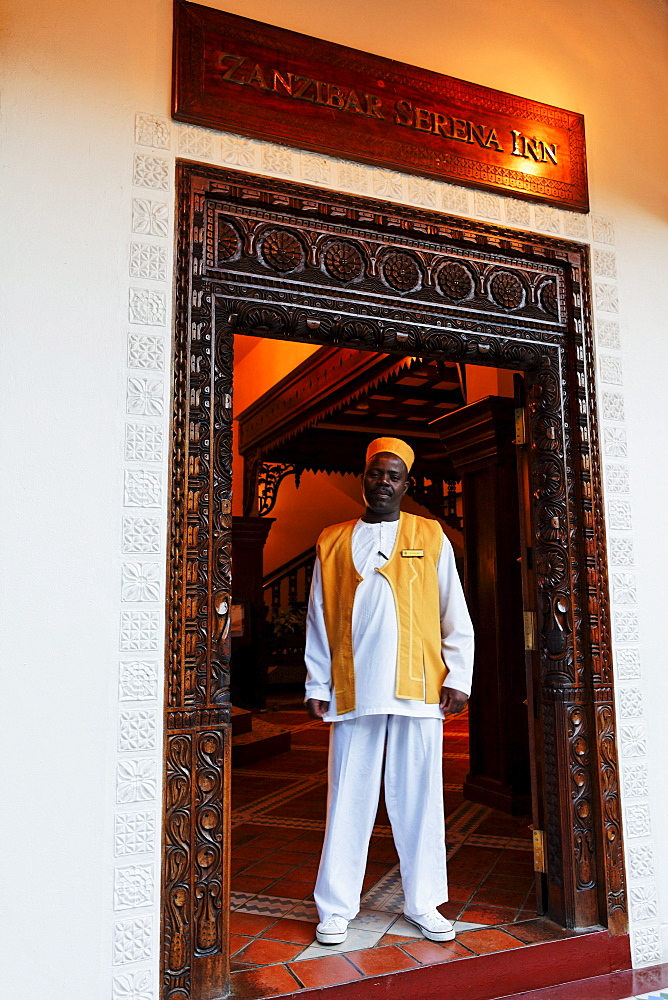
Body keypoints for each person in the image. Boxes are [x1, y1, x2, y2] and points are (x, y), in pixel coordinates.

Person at [304, 436, 474, 946]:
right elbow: (318, 615)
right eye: (377, 472)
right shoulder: (332, 540)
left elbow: (453, 610)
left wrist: (459, 676)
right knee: (347, 799)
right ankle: (335, 908)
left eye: (394, 475)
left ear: (407, 483)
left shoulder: (430, 533)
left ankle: (425, 904)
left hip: (419, 687)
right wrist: (317, 680)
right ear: (364, 477)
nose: (384, 482)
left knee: (421, 800)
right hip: (354, 691)